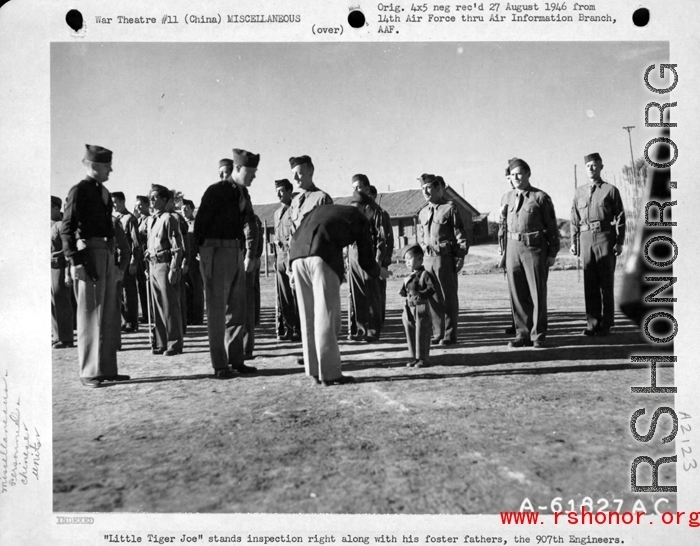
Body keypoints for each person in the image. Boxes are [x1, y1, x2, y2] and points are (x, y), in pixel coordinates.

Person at [289, 194, 380, 386]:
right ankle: (330, 374)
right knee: (326, 317)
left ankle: (313, 370)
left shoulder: (325, 210)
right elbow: (365, 258)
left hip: (297, 256)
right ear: (368, 210)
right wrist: (378, 271)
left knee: (308, 317)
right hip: (322, 257)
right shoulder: (360, 217)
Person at [60, 144, 129, 387]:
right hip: (89, 253)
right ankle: (89, 372)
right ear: (95, 166)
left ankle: (107, 368)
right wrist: (74, 261)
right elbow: (67, 229)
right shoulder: (78, 191)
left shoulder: (104, 192)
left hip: (107, 252)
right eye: (106, 165)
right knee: (90, 313)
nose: (110, 169)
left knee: (109, 311)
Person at [194, 150, 259, 378]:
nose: (253, 177)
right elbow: (199, 225)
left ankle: (237, 360)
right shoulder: (216, 190)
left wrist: (251, 252)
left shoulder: (243, 194)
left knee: (237, 310)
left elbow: (250, 222)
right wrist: (203, 256)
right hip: (216, 252)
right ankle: (220, 365)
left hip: (236, 252)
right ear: (238, 169)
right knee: (217, 312)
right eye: (250, 172)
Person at [500, 158, 560, 348]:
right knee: (517, 293)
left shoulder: (540, 197)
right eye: (513, 174)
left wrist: (552, 253)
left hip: (534, 248)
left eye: (519, 173)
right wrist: (503, 252)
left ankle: (538, 335)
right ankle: (522, 334)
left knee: (537, 293)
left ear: (528, 174)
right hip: (512, 247)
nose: (516, 177)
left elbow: (552, 227)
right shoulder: (506, 198)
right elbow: (502, 226)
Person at [570, 152, 626, 337]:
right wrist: (574, 242)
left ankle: (607, 324)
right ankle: (592, 324)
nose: (591, 168)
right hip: (585, 238)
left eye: (594, 165)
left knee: (606, 283)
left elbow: (620, 217)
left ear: (601, 167)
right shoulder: (579, 192)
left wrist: (619, 242)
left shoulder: (610, 190)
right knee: (590, 283)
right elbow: (574, 219)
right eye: (588, 166)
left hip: (604, 236)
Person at [417, 174, 468, 345]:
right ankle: (438, 333)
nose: (425, 191)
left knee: (448, 297)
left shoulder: (450, 208)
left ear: (439, 188)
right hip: (428, 259)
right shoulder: (423, 212)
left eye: (429, 187)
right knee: (433, 298)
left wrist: (460, 256)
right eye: (423, 188)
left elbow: (460, 235)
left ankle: (449, 335)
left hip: (444, 259)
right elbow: (421, 236)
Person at [146, 185, 184, 356]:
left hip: (165, 265)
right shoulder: (151, 220)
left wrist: (174, 268)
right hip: (153, 265)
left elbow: (177, 247)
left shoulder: (169, 219)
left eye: (155, 197)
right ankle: (161, 343)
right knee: (157, 306)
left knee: (170, 306)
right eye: (150, 197)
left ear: (164, 200)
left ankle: (174, 344)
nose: (152, 201)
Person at [346, 174, 386, 342]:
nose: (356, 190)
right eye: (353, 187)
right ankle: (361, 330)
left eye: (359, 187)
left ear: (368, 189)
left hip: (369, 256)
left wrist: (377, 261)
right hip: (354, 257)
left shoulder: (377, 212)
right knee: (357, 296)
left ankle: (373, 331)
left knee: (372, 295)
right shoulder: (353, 211)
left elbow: (382, 239)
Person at [399, 244, 436, 369]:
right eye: (405, 260)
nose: (407, 262)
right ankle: (414, 357)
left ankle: (423, 359)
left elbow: (432, 289)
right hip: (408, 308)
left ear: (420, 259)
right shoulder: (408, 278)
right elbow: (403, 291)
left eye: (410, 259)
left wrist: (421, 294)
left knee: (422, 332)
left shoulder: (425, 275)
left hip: (420, 307)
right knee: (411, 333)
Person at [272, 178, 301, 341]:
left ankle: (299, 329)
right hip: (280, 258)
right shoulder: (277, 213)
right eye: (277, 190)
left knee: (296, 295)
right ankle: (288, 329)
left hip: (292, 257)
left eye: (282, 190)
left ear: (290, 192)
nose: (278, 193)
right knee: (283, 296)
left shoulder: (295, 209)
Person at [112, 191, 141, 332]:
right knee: (120, 292)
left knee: (129, 292)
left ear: (123, 202)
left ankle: (132, 322)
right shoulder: (115, 218)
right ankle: (124, 320)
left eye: (116, 202)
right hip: (117, 260)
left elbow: (136, 243)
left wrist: (134, 262)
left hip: (128, 259)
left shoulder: (130, 219)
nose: (114, 205)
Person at [367, 184, 394, 326]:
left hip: (379, 258)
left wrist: (384, 258)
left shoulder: (382, 214)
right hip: (365, 258)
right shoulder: (362, 212)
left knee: (378, 290)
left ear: (374, 196)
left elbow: (386, 238)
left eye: (369, 195)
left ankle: (379, 320)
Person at [51, 196, 73, 348]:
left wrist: (67, 273)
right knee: (53, 303)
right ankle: (57, 335)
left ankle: (66, 338)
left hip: (60, 267)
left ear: (56, 208)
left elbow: (68, 248)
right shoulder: (49, 225)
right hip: (50, 268)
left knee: (62, 302)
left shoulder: (61, 225)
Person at [288, 155, 333, 232]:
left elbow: (327, 231)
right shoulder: (294, 201)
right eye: (293, 173)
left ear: (310, 173)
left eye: (299, 173)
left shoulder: (321, 198)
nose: (294, 178)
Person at [243, 215, 264, 359]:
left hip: (249, 259)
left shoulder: (252, 219)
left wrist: (255, 256)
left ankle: (255, 318)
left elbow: (257, 239)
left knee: (251, 293)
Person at [182, 199, 204, 325]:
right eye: (182, 208)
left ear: (192, 209)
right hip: (185, 260)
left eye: (186, 208)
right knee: (187, 288)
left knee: (197, 288)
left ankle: (198, 317)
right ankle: (189, 316)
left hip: (195, 260)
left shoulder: (196, 224)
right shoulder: (181, 223)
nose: (184, 210)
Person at [133, 195, 152, 325]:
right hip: (139, 257)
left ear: (147, 205)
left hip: (147, 257)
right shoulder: (139, 220)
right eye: (137, 205)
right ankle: (146, 314)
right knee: (141, 286)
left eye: (140, 205)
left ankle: (152, 314)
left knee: (149, 286)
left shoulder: (150, 220)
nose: (138, 207)